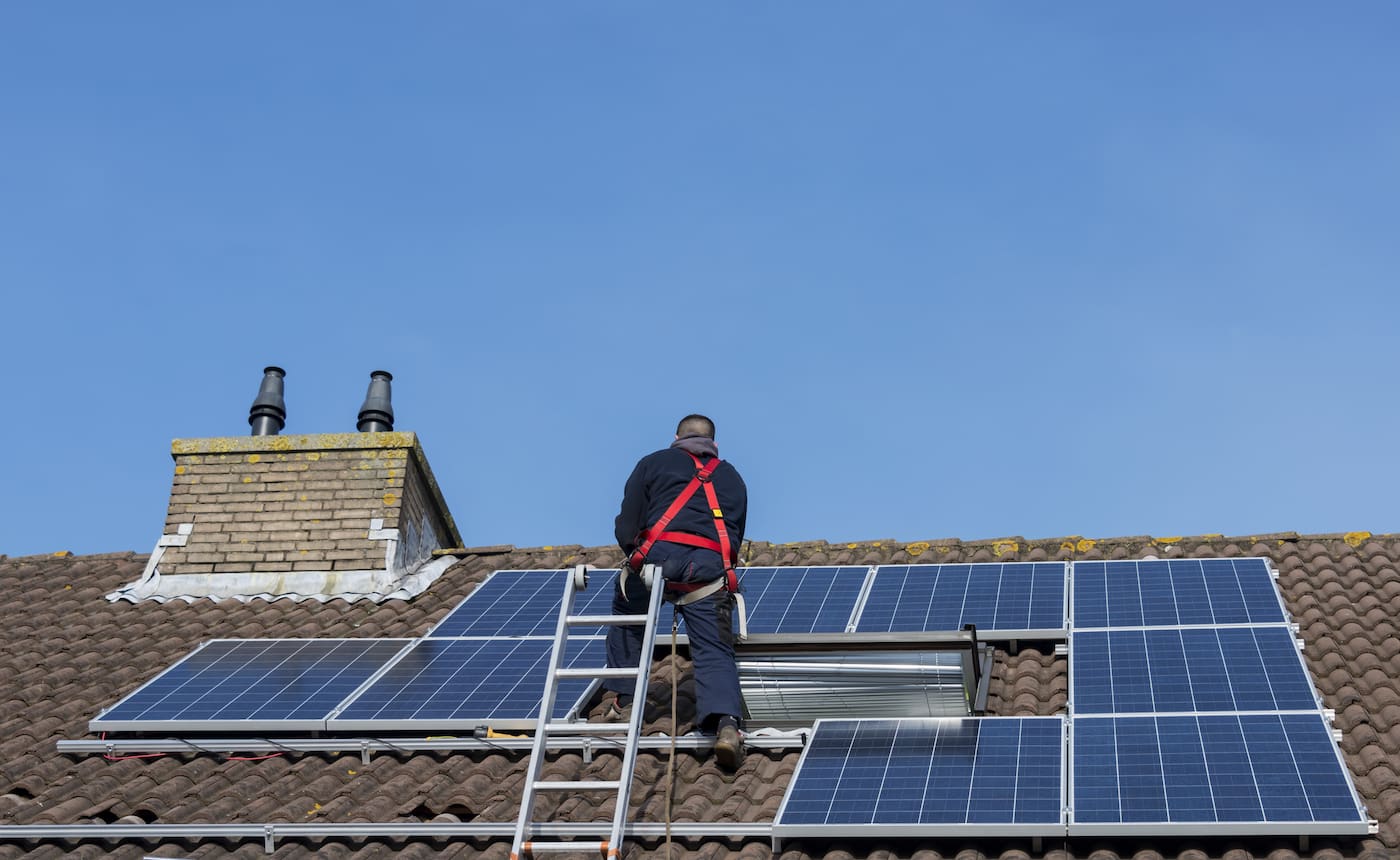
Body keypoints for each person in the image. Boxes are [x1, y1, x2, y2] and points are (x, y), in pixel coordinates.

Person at [604, 413, 749, 770]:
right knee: (714, 646)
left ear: (676, 437)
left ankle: (625, 698)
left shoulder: (653, 463)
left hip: (657, 560)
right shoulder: (732, 477)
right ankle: (725, 723)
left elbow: (627, 523)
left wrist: (635, 553)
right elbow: (734, 534)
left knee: (629, 612)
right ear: (714, 444)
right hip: (708, 569)